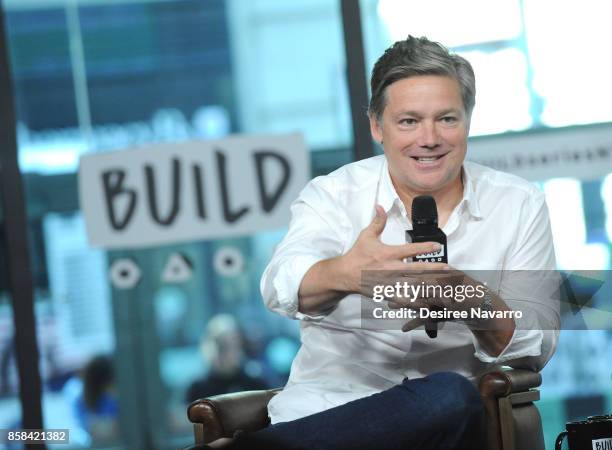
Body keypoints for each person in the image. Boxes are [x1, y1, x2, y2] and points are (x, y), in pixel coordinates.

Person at [216, 35, 560, 450]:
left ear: (468, 120)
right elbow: (280, 285)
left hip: (448, 425)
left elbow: (536, 343)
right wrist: (348, 274)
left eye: (446, 119)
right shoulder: (334, 195)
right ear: (377, 126)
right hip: (329, 416)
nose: (429, 138)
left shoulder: (519, 203)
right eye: (409, 121)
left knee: (449, 395)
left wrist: (468, 299)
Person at [186, 314, 267, 403]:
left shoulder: (255, 386)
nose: (230, 352)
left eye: (234, 345)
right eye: (222, 346)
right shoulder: (198, 389)